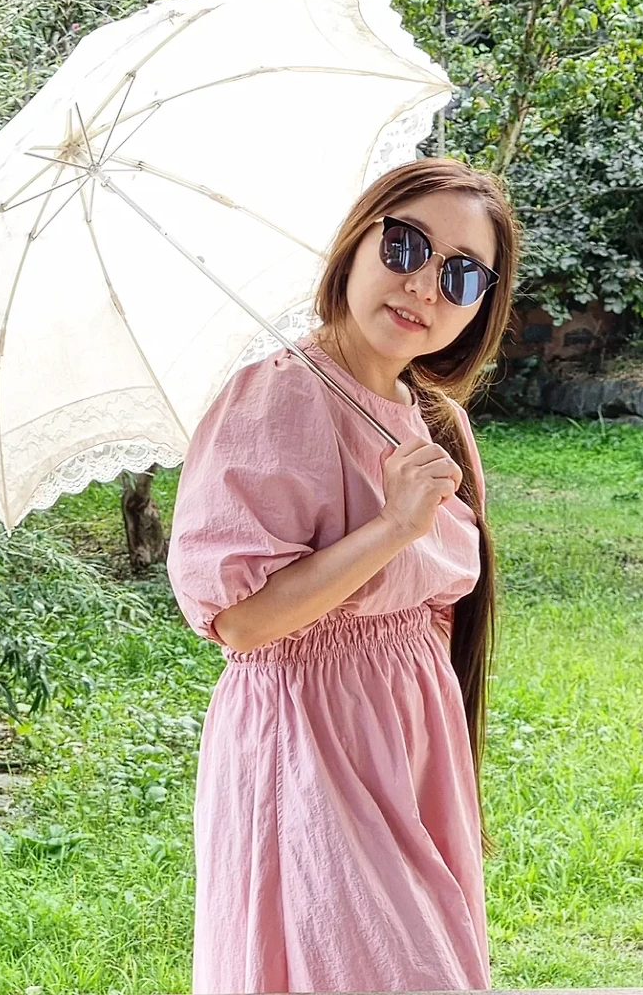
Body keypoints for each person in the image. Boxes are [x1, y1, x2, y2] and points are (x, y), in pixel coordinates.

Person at [165, 156, 521, 995]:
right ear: (357, 241)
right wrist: (392, 528)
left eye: (461, 274)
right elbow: (241, 621)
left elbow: (436, 615)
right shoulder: (274, 398)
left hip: (412, 732)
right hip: (307, 738)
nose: (424, 286)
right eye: (406, 246)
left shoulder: (436, 420)